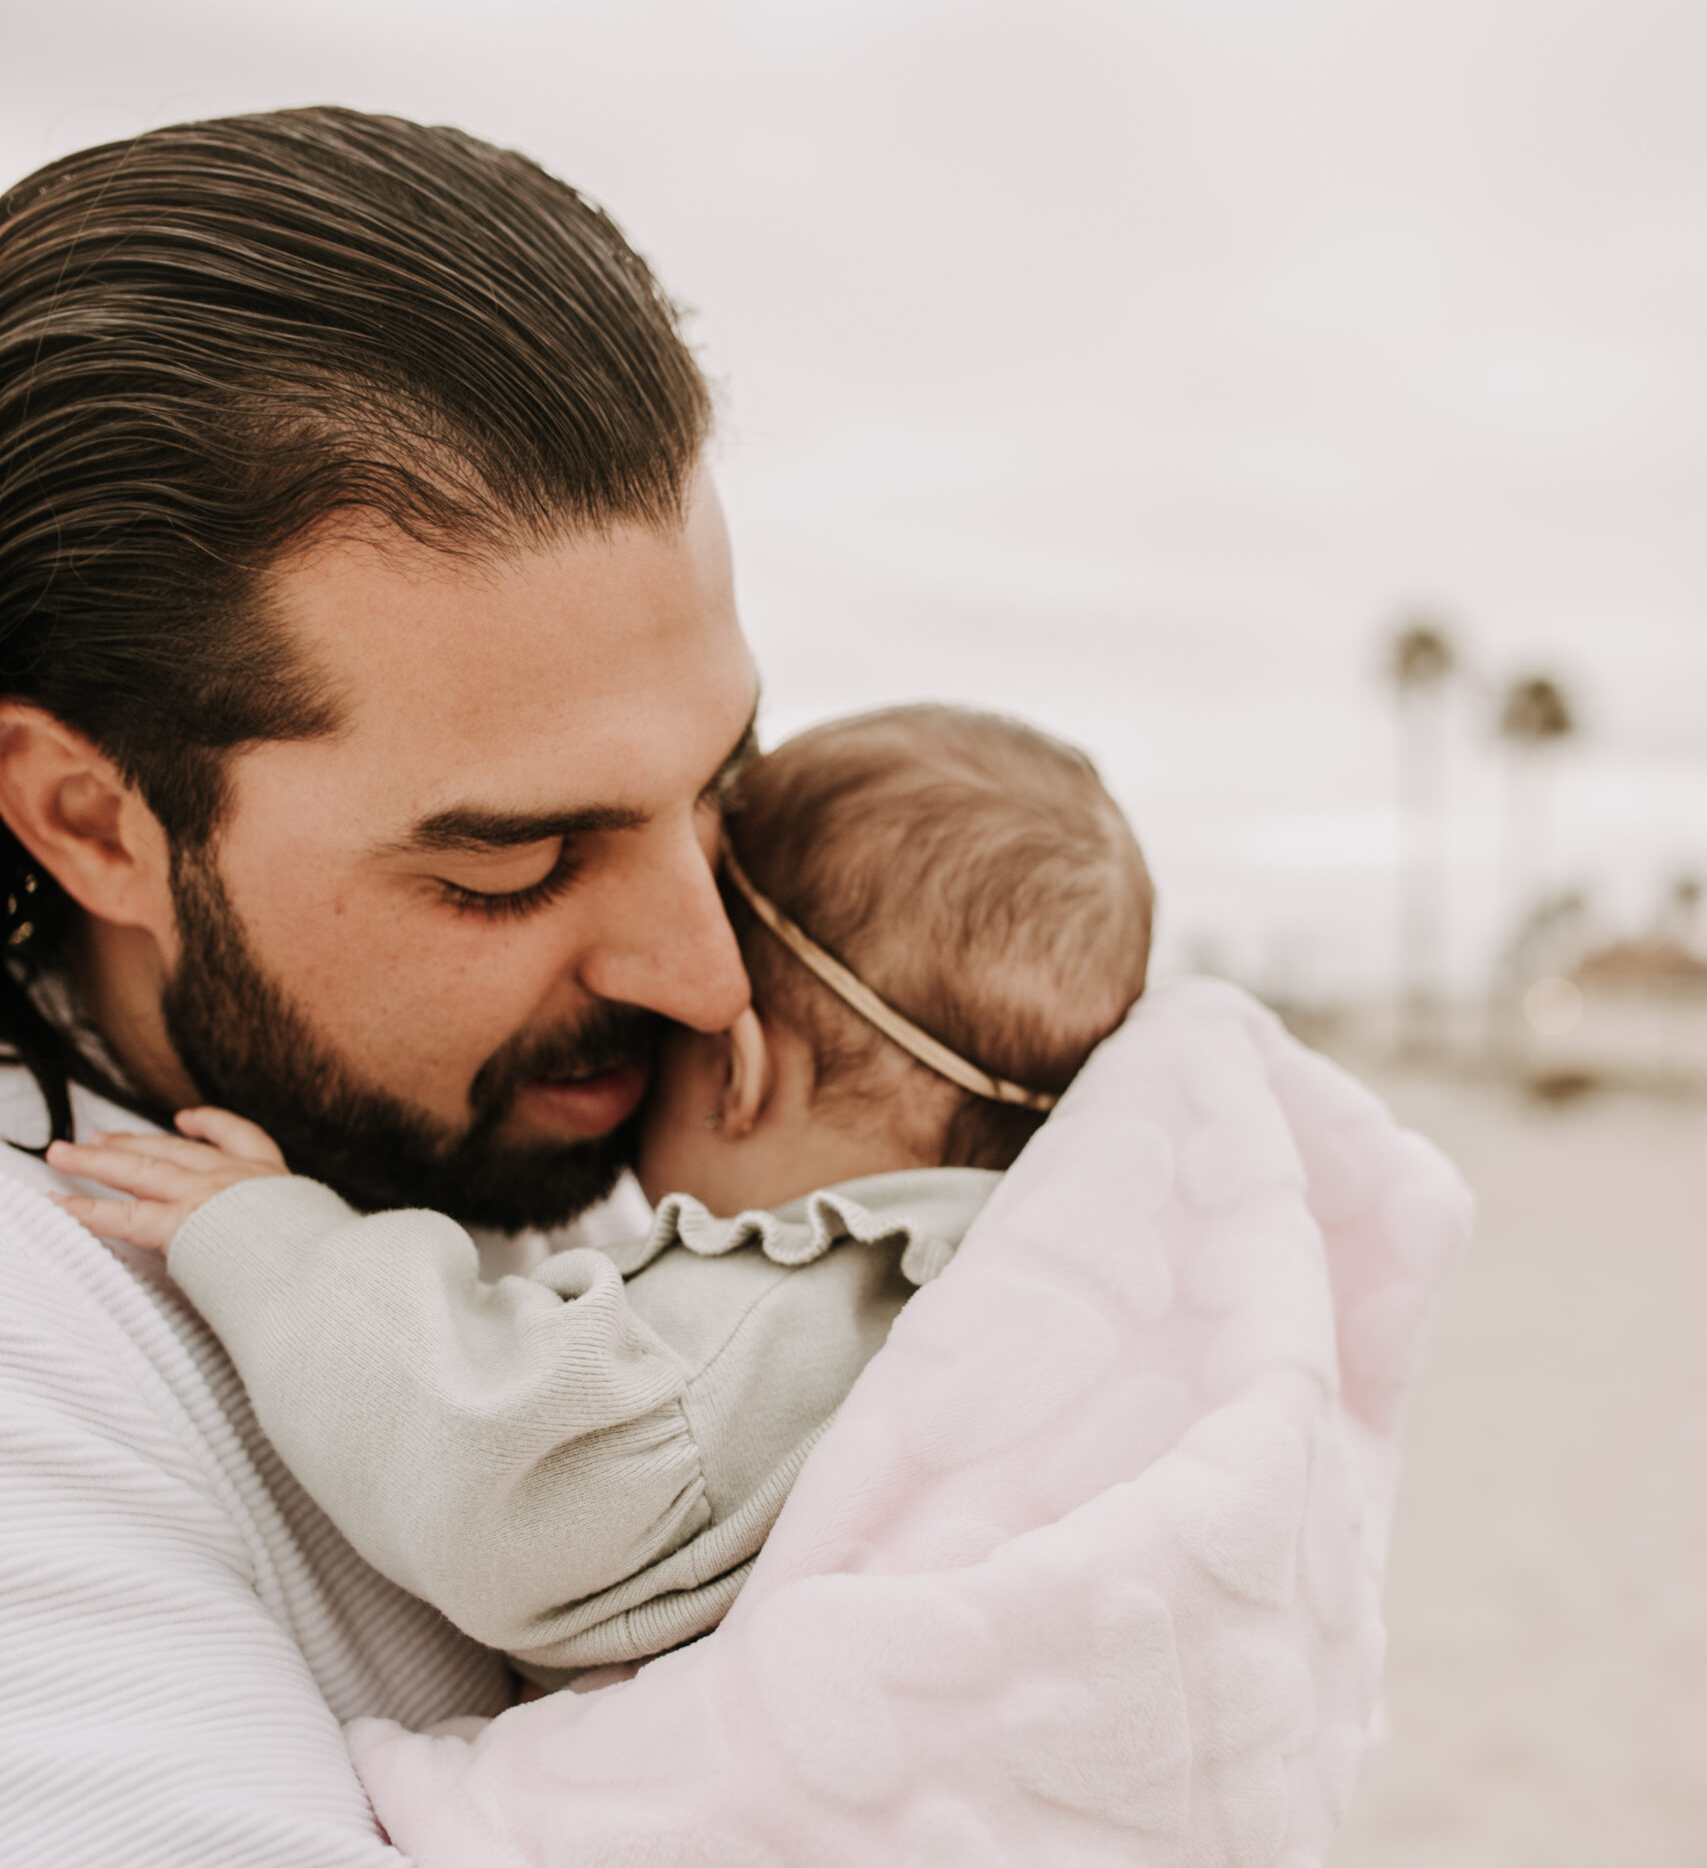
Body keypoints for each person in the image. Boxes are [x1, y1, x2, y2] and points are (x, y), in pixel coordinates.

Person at [0, 110, 1303, 1868]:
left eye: (720, 788)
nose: (708, 971)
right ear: (92, 815)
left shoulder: (581, 1159)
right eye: (510, 858)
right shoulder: (44, 1336)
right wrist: (1146, 1778)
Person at [45, 707, 1155, 1679]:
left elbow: (512, 1493)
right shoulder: (1043, 1298)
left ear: (745, 1065)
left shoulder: (787, 1307)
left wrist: (277, 1242)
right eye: (515, 864)